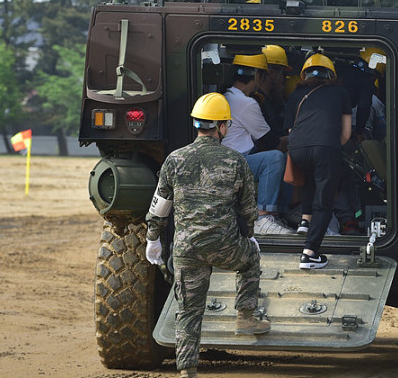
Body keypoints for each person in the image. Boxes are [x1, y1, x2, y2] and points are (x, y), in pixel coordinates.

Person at [144, 93, 270, 378]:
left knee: (188, 311)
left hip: (187, 249)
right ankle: (245, 317)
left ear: (197, 125)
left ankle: (187, 370)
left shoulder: (174, 160)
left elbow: (160, 206)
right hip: (224, 245)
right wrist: (248, 237)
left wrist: (153, 239)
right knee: (250, 258)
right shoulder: (236, 161)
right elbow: (248, 210)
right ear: (223, 127)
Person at [284, 53, 352, 269]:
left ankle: (305, 221)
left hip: (296, 148)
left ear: (304, 75)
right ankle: (310, 252)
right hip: (325, 146)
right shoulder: (340, 93)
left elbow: (289, 129)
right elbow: (346, 133)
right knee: (324, 199)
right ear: (330, 75)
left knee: (309, 179)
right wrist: (330, 145)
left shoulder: (296, 95)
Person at [222, 53, 294, 235]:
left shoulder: (228, 96)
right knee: (276, 158)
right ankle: (263, 217)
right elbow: (269, 141)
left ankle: (276, 214)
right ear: (257, 76)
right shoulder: (245, 103)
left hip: (228, 161)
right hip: (235, 163)